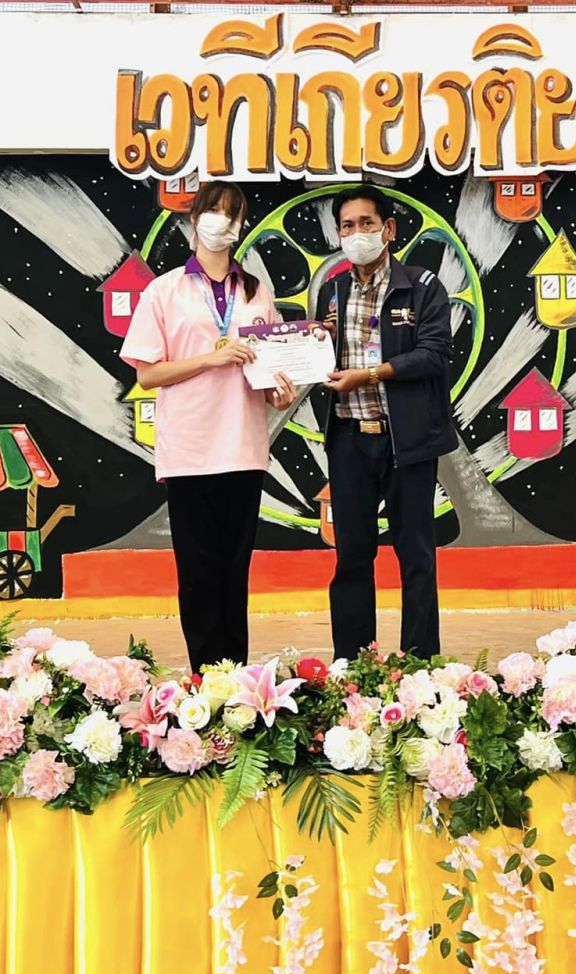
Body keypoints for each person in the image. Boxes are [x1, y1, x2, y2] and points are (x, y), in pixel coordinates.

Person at [120, 180, 297, 672]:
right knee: (198, 571)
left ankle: (234, 677)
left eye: (232, 214)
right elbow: (148, 374)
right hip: (190, 449)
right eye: (213, 210)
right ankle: (204, 676)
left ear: (241, 226)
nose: (222, 221)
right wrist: (210, 358)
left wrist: (280, 392)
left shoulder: (256, 292)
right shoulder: (164, 290)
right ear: (195, 218)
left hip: (243, 446)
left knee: (235, 570)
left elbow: (266, 373)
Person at [319, 185, 458, 661]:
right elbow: (323, 358)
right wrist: (313, 345)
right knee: (352, 557)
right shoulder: (332, 290)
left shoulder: (422, 286)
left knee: (416, 556)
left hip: (408, 442)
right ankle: (352, 662)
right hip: (348, 439)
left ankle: (420, 664)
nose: (356, 233)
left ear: (389, 229)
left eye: (366, 223)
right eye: (347, 226)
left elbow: (435, 354)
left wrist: (371, 374)